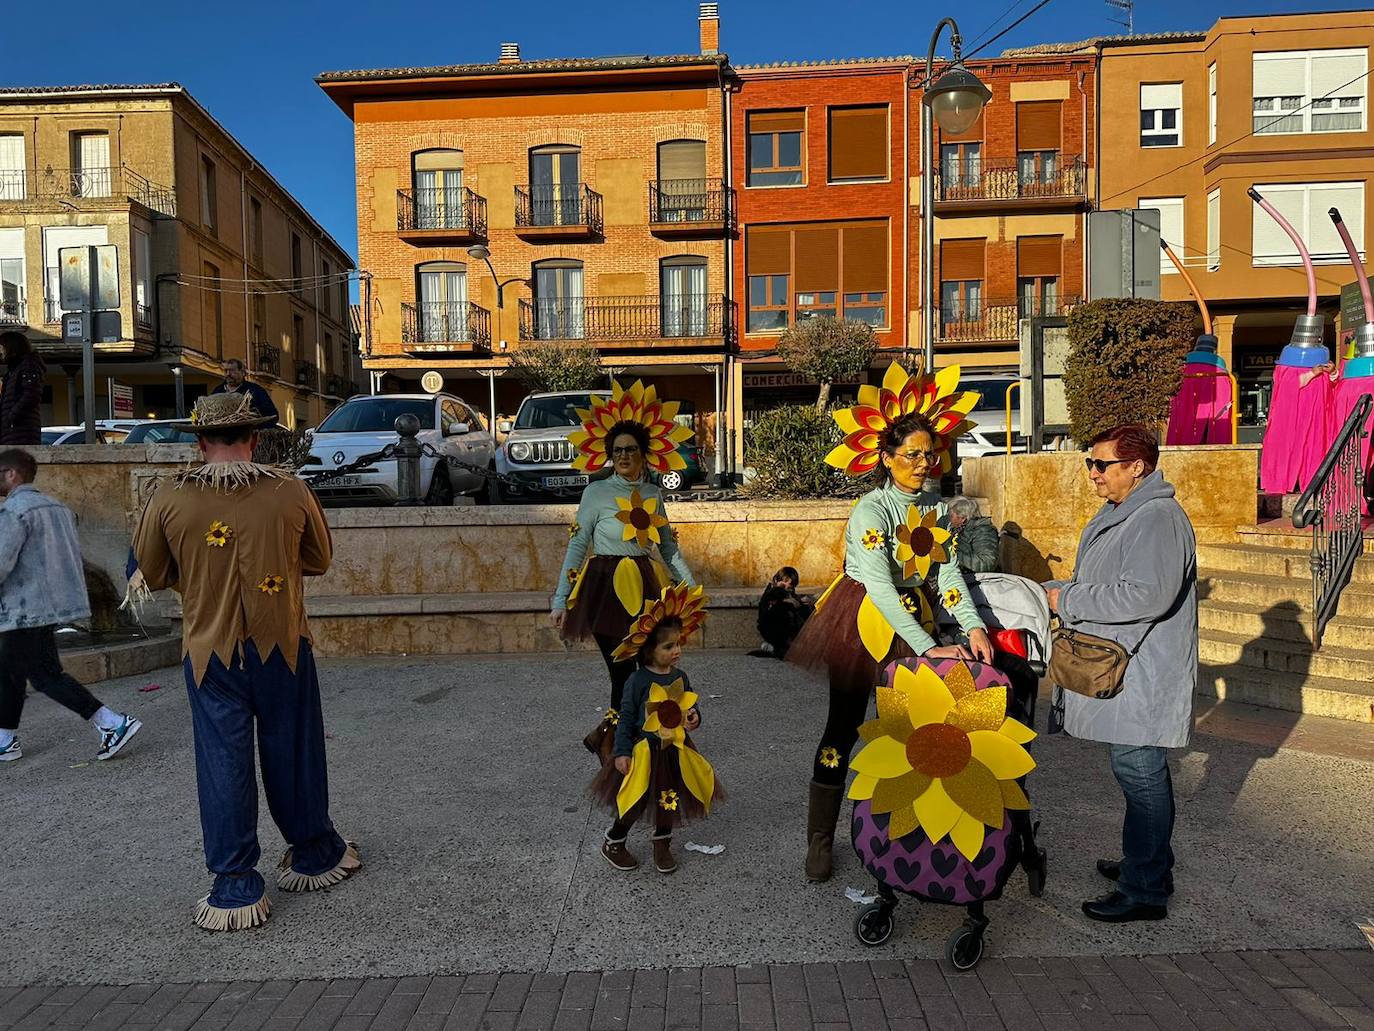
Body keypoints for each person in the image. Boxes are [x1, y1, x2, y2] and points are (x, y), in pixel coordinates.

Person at [129, 392, 358, 931]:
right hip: (282, 644)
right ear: (254, 438)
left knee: (222, 760)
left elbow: (154, 574)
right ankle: (314, 852)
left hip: (210, 651)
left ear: (201, 442)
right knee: (294, 748)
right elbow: (319, 561)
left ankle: (235, 884)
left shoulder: (169, 496)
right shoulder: (290, 489)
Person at [788, 364, 994, 883]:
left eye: (930, 454)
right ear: (886, 459)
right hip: (863, 622)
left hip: (913, 618)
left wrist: (971, 626)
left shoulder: (937, 508)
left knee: (909, 735)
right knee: (843, 726)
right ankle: (819, 839)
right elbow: (880, 587)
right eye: (911, 456)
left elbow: (947, 575)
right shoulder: (871, 510)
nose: (923, 464)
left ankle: (902, 834)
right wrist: (928, 648)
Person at [1043, 424, 1197, 924]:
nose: (1092, 473)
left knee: (1140, 771)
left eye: (1102, 464)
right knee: (1135, 770)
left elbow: (1146, 595)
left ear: (1138, 466)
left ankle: (1146, 889)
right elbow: (1109, 580)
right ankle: (1148, 864)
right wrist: (1059, 588)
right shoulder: (1126, 512)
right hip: (1126, 661)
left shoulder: (1155, 517)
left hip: (1142, 667)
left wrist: (1068, 599)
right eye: (1090, 462)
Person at [551, 380, 696, 762]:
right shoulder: (595, 493)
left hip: (646, 589)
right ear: (609, 455)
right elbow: (578, 544)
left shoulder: (652, 495)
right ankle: (616, 745)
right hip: (603, 592)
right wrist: (560, 599)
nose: (624, 456)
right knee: (623, 675)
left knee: (644, 671)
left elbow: (667, 548)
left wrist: (691, 587)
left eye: (631, 449)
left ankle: (613, 737)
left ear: (644, 452)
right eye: (617, 451)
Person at [0, 449, 142, 762]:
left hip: (23, 608)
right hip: (49, 606)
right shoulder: (57, 507)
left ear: (12, 474)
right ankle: (5, 737)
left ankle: (111, 722)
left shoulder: (14, 511)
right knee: (9, 671)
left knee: (44, 675)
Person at [589, 592, 720, 875]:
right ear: (649, 650)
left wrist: (695, 716)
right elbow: (625, 720)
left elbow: (689, 704)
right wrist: (622, 752)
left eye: (678, 644)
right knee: (635, 798)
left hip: (673, 749)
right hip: (643, 751)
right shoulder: (637, 681)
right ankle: (614, 841)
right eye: (668, 646)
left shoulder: (679, 676)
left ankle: (662, 843)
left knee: (668, 798)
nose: (676, 651)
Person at [750, 566, 813, 659]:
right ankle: (775, 646)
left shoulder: (789, 593)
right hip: (771, 628)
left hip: (787, 630)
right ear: (776, 580)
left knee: (805, 609)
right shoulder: (772, 592)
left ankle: (792, 644)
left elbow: (796, 605)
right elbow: (767, 610)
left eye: (790, 586)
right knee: (782, 608)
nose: (787, 587)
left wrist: (801, 602)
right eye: (784, 583)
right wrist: (784, 601)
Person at [1, 331, 45, 446]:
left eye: (2, 347)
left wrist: (11, 417)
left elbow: (31, 395)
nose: (1, 352)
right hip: (12, 432)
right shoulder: (12, 371)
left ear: (11, 346)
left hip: (21, 432)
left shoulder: (28, 365)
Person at [211, 358, 279, 422]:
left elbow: (272, 416)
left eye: (232, 370)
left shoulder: (255, 391)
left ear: (243, 373)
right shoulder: (217, 391)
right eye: (226, 371)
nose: (228, 374)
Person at [947, 495, 1001, 575]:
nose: (949, 519)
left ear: (962, 518)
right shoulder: (958, 529)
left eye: (951, 516)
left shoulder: (983, 531)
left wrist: (954, 557)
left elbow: (988, 562)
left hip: (979, 581)